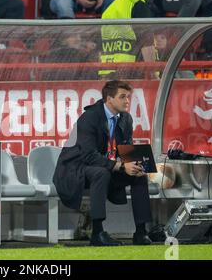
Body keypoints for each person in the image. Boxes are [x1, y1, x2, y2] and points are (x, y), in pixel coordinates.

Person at [53, 80, 153, 246]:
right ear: (109, 99)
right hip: (75, 169)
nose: (127, 101)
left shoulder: (126, 118)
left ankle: (141, 232)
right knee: (101, 172)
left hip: (102, 165)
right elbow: (88, 155)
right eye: (122, 97)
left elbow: (125, 148)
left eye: (128, 97)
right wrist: (121, 166)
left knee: (138, 175)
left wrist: (137, 164)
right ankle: (97, 233)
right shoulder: (89, 118)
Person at [99, 0, 156, 79]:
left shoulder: (109, 9)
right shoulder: (138, 5)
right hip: (134, 73)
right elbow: (147, 43)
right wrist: (152, 74)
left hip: (108, 74)